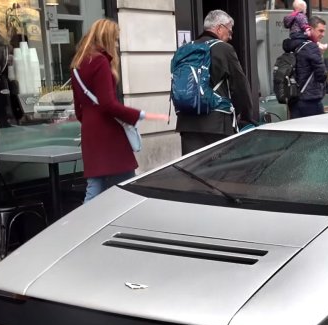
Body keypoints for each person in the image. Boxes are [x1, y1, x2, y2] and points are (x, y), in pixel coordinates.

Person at [71, 19, 168, 203]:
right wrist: (139, 115)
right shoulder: (100, 62)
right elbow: (108, 104)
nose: (116, 44)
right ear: (106, 38)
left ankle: (83, 225)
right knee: (127, 186)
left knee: (95, 186)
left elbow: (78, 108)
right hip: (108, 133)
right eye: (115, 39)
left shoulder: (78, 63)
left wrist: (92, 124)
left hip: (91, 132)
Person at [175, 10, 256, 155]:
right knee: (220, 172)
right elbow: (240, 85)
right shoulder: (224, 49)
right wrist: (246, 114)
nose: (230, 37)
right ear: (219, 28)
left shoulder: (185, 49)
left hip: (187, 123)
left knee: (192, 171)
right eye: (229, 32)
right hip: (216, 123)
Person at [285, 16, 327, 118]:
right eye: (320, 31)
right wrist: (320, 54)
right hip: (310, 100)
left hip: (294, 99)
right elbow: (322, 75)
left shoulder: (294, 45)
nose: (323, 34)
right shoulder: (311, 47)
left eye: (324, 31)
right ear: (310, 29)